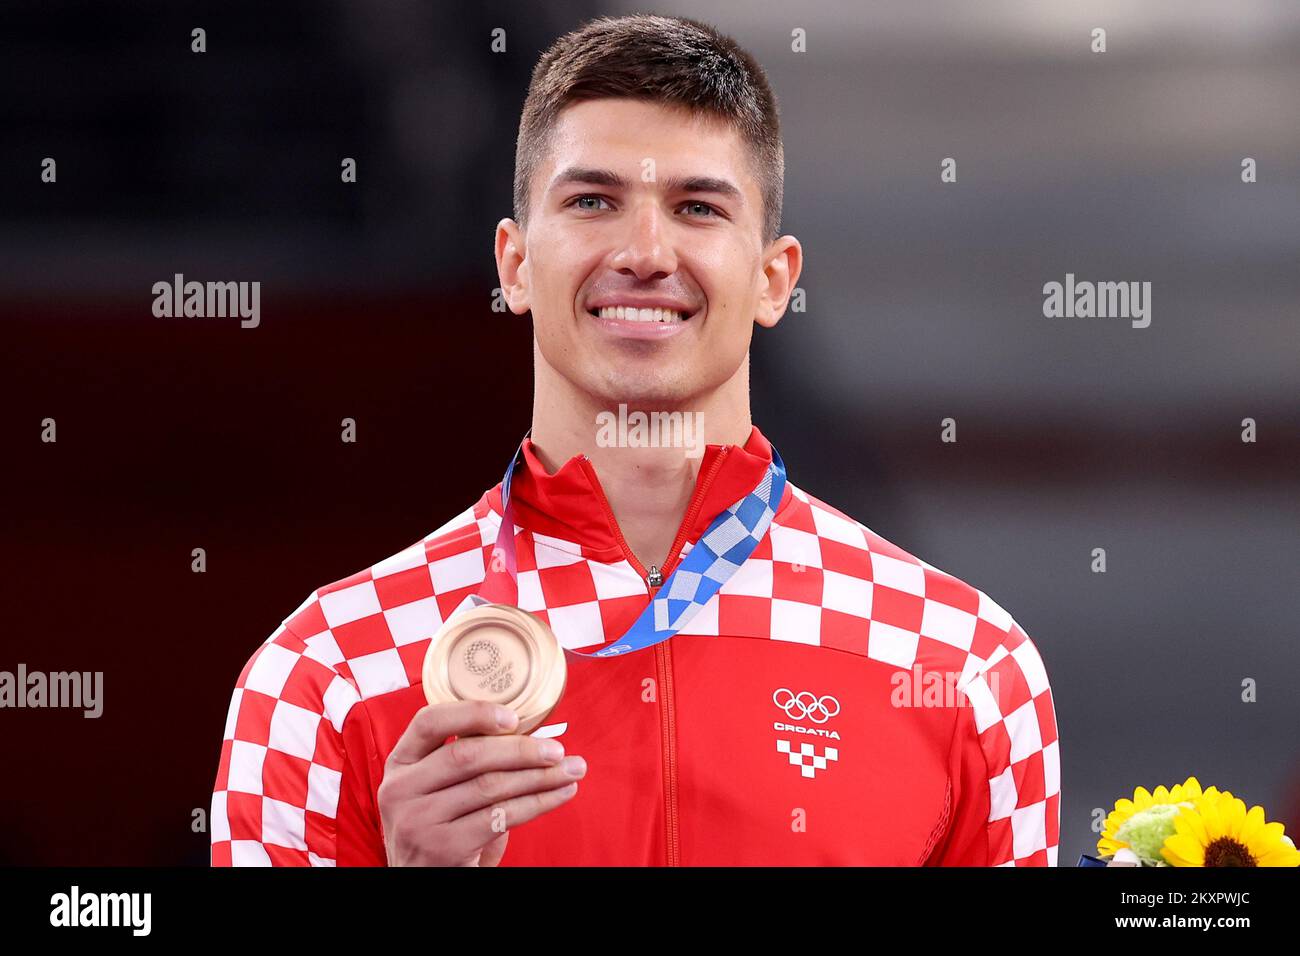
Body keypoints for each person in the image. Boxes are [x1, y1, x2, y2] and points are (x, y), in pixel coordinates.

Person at [210, 13, 1059, 866]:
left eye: (696, 208)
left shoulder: (963, 666)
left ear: (774, 280)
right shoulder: (326, 675)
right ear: (513, 266)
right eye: (592, 202)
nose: (646, 253)